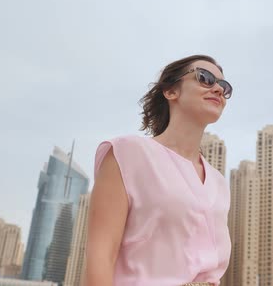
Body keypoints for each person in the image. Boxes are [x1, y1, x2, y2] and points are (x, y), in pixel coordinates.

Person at [85, 55, 233, 286]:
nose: (217, 90)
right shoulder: (128, 153)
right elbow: (100, 257)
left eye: (224, 87)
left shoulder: (219, 183)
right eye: (205, 78)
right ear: (171, 91)